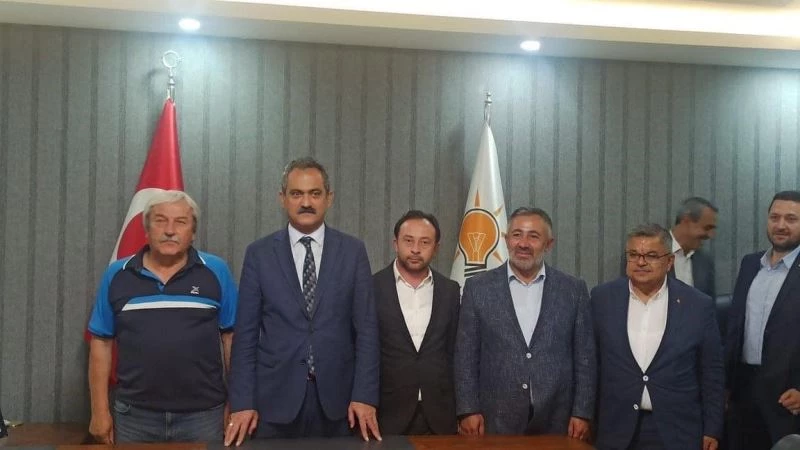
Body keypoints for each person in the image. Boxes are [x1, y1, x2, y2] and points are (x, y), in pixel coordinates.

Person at [225, 157, 380, 444]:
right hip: (274, 400)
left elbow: (367, 331)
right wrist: (243, 401)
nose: (306, 202)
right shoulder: (259, 254)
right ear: (282, 198)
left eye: (314, 194)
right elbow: (245, 335)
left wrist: (365, 395)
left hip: (340, 403)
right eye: (296, 194)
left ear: (329, 198)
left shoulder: (353, 251)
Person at [87, 190, 238, 443]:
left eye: (180, 222)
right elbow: (101, 343)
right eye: (160, 221)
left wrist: (237, 401)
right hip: (134, 417)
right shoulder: (118, 274)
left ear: (193, 231)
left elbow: (232, 340)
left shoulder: (216, 271)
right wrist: (99, 412)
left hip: (203, 416)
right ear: (146, 229)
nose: (170, 230)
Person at [454, 207, 595, 439]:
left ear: (549, 244)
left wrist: (582, 412)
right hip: (494, 418)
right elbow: (465, 355)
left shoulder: (573, 290)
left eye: (533, 236)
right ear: (506, 239)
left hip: (557, 418)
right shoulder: (478, 288)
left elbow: (585, 358)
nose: (523, 243)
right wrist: (468, 409)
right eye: (517, 234)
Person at [591, 223, 724, 450]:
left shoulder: (697, 305)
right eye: (634, 255)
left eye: (651, 256)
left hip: (677, 430)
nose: (641, 262)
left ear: (669, 262)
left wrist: (712, 428)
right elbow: (590, 363)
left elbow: (712, 372)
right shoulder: (603, 298)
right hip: (616, 427)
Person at [374, 210, 460, 435]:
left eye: (424, 242)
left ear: (436, 248)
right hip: (387, 414)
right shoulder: (372, 288)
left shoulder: (450, 291)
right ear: (395, 243)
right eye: (408, 241)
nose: (415, 249)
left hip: (440, 415)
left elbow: (455, 353)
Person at [726, 190, 800, 449]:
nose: (781, 225)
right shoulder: (750, 264)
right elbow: (734, 328)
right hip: (742, 391)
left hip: (788, 396)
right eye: (774, 217)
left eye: (791, 219)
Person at [669, 197, 718, 299]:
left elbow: (709, 303)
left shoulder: (705, 261)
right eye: (707, 228)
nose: (711, 235)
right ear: (686, 221)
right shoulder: (652, 254)